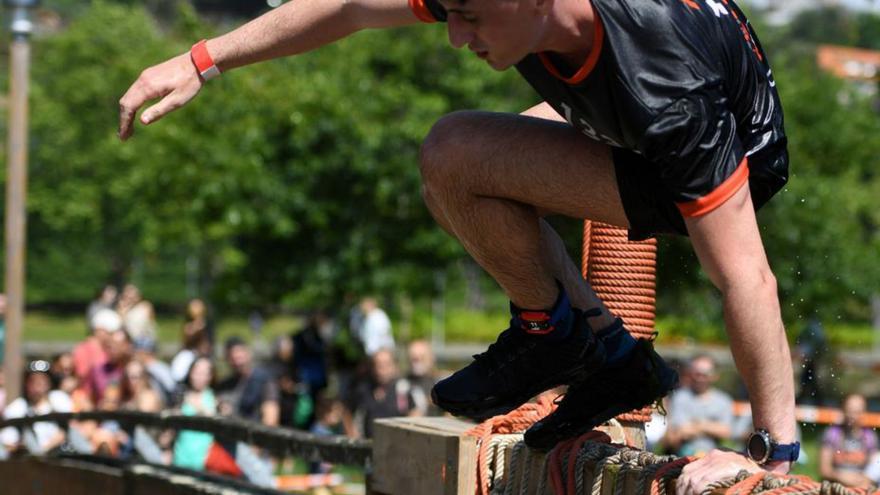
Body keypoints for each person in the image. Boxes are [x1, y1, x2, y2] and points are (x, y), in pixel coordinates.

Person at [118, 0, 799, 488]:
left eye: (469, 15)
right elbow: (352, 5)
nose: (454, 36)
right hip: (620, 107)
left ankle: (564, 336)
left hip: (719, 145)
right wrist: (201, 57)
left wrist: (769, 456)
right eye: (447, 12)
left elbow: (748, 278)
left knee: (458, 152)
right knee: (451, 172)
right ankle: (604, 351)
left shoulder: (667, 85)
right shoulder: (510, 8)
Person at [663, 355, 734, 457]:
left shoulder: (723, 400)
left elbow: (726, 431)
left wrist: (699, 426)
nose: (700, 378)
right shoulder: (680, 397)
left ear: (715, 376)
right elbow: (674, 434)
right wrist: (710, 427)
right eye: (697, 373)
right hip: (681, 456)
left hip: (712, 456)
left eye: (705, 374)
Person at [1, 360, 73, 454]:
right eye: (33, 380)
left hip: (59, 456)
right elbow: (8, 442)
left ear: (49, 383)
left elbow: (68, 430)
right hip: (29, 461)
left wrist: (45, 449)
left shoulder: (59, 400)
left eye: (42, 380)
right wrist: (20, 447)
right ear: (26, 384)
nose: (38, 384)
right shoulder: (17, 407)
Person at [346, 348, 421, 438]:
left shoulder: (403, 389)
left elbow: (415, 413)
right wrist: (353, 435)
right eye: (378, 365)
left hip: (397, 445)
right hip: (370, 445)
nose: (381, 369)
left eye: (386, 365)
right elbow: (347, 411)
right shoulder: (364, 389)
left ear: (394, 366)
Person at [216, 337, 280, 426]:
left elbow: (271, 418)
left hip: (256, 434)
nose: (238, 363)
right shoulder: (225, 385)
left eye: (240, 357)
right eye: (233, 359)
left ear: (248, 354)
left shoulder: (264, 380)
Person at [819, 393, 878, 489]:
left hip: (860, 487)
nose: (853, 416)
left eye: (857, 412)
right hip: (835, 486)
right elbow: (824, 470)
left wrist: (862, 482)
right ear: (843, 410)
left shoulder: (870, 437)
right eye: (849, 411)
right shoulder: (832, 434)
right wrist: (839, 476)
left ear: (864, 412)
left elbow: (874, 469)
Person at [173, 356, 218, 470]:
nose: (199, 377)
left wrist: (197, 407)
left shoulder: (215, 399)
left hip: (205, 461)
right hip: (181, 458)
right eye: (196, 372)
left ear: (211, 377)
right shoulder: (181, 396)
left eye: (204, 373)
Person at [72, 308, 121, 384]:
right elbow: (82, 375)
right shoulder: (83, 349)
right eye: (110, 333)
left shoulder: (109, 349)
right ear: (99, 330)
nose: (113, 337)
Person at [117, 284, 158, 350]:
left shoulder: (145, 306)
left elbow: (150, 323)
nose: (130, 297)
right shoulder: (123, 309)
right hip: (131, 341)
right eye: (127, 295)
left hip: (145, 340)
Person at [406, 340, 439, 416]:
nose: (417, 362)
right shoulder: (401, 384)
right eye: (414, 359)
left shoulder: (442, 382)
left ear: (431, 358)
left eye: (422, 358)